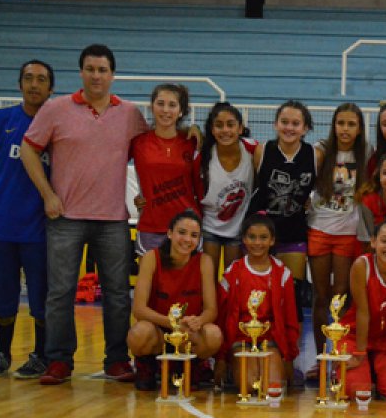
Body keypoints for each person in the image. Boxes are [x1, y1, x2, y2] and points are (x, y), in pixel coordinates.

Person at [21, 44, 150, 385]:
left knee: (118, 293)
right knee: (60, 291)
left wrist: (146, 196)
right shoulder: (56, 109)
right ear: (81, 73)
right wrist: (48, 194)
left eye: (103, 70)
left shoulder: (130, 114)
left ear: (112, 74)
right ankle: (59, 360)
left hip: (113, 219)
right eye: (90, 69)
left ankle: (118, 359)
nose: (96, 75)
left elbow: (151, 153)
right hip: (66, 217)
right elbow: (29, 152)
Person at [0, 59, 53, 379]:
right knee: (3, 294)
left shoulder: (57, 126)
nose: (34, 84)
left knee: (41, 298)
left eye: (41, 79)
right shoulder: (2, 120)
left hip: (40, 230)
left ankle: (41, 354)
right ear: (19, 84)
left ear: (50, 88)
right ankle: (2, 353)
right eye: (28, 78)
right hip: (2, 226)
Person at [306, 103, 372, 369]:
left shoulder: (366, 153)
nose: (345, 129)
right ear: (334, 126)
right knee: (320, 296)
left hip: (348, 232)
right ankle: (321, 358)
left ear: (359, 129)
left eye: (351, 124)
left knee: (341, 297)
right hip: (319, 229)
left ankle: (339, 356)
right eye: (341, 123)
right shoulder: (321, 151)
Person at [127, 209, 222, 391]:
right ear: (169, 233)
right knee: (139, 333)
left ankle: (189, 366)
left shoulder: (204, 262)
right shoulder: (151, 258)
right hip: (159, 331)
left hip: (188, 332)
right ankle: (148, 365)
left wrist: (199, 320)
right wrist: (173, 324)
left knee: (213, 335)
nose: (187, 240)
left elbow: (211, 310)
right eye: (182, 232)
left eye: (194, 235)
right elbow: (139, 309)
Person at [248, 100, 319, 319]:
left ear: (305, 128)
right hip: (261, 233)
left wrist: (309, 202)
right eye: (284, 122)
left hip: (294, 231)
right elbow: (252, 187)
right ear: (275, 124)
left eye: (295, 123)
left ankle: (290, 349)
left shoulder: (315, 155)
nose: (289, 127)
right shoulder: (262, 151)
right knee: (260, 295)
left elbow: (320, 190)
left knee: (292, 295)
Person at [217, 213, 299, 391]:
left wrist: (289, 357)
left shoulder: (282, 274)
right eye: (252, 237)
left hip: (271, 340)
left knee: (272, 387)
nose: (257, 243)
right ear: (244, 240)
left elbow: (290, 319)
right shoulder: (233, 272)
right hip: (240, 340)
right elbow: (223, 317)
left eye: (263, 238)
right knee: (249, 386)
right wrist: (221, 358)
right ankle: (235, 369)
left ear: (272, 241)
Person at [338, 219, 386, 400]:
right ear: (373, 242)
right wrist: (359, 353)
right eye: (384, 241)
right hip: (355, 334)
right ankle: (362, 368)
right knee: (357, 391)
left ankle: (375, 370)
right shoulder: (361, 265)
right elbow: (362, 312)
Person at [130, 84, 202, 255]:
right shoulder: (138, 142)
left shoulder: (193, 142)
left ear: (181, 111)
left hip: (186, 227)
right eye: (160, 103)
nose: (165, 110)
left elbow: (200, 185)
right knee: (149, 281)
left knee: (186, 281)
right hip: (151, 225)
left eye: (172, 105)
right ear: (151, 107)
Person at [198, 102, 258, 277]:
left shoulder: (253, 149)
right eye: (219, 125)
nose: (225, 130)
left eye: (230, 125)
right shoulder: (203, 154)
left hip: (238, 228)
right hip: (209, 226)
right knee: (208, 281)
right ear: (211, 129)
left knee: (232, 281)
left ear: (240, 128)